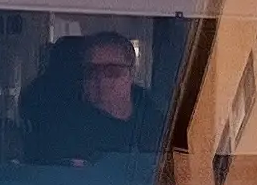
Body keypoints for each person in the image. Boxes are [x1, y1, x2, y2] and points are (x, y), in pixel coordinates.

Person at [22, 30, 158, 164]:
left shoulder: (158, 124)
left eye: (112, 71)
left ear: (131, 73)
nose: (101, 80)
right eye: (92, 71)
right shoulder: (61, 130)